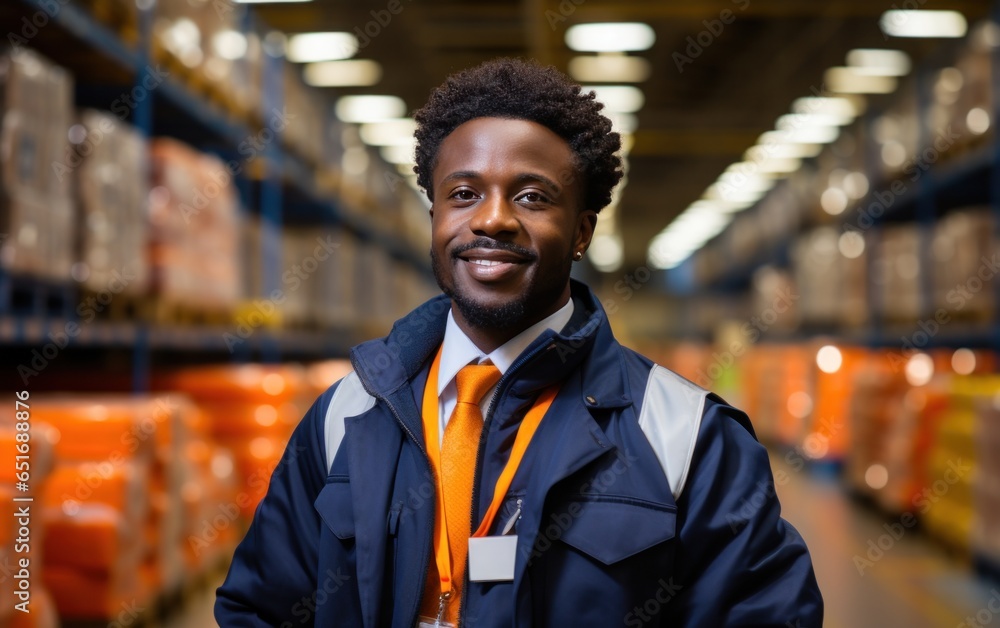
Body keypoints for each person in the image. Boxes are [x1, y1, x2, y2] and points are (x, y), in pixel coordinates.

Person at [215, 58, 823, 627]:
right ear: (434, 217)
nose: (493, 219)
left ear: (582, 231)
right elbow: (261, 608)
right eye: (463, 193)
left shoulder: (686, 436)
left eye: (532, 197)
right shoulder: (346, 416)